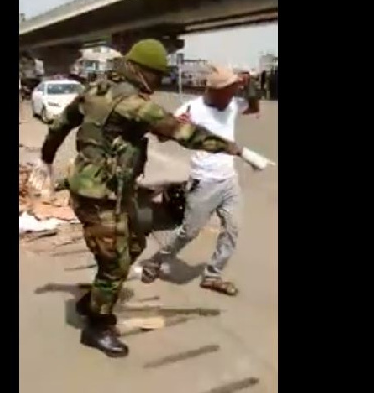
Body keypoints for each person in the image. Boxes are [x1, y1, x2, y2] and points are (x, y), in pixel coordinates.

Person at [28, 40, 253, 358]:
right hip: (99, 196)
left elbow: (63, 122)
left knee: (135, 240)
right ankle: (97, 325)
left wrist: (47, 156)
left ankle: (93, 298)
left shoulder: (97, 89)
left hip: (116, 191)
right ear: (143, 71)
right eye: (157, 75)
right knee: (114, 263)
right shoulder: (132, 103)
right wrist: (232, 148)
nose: (158, 83)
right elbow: (184, 133)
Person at [141, 65, 260, 296]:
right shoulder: (191, 108)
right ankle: (155, 261)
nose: (231, 98)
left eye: (234, 91)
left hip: (229, 180)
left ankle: (212, 275)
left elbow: (254, 106)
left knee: (233, 229)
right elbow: (160, 135)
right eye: (229, 92)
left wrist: (250, 84)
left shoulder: (233, 105)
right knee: (188, 232)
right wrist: (176, 126)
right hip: (204, 182)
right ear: (215, 91)